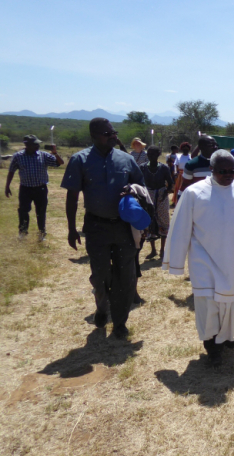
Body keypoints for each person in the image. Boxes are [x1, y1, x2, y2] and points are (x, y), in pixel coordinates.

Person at [163, 150, 234, 365]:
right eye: (223, 171)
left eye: (233, 170)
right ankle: (211, 344)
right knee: (208, 304)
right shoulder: (194, 193)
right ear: (211, 169)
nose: (229, 175)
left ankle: (226, 336)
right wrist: (175, 260)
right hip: (204, 258)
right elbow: (180, 227)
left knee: (232, 302)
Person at [61, 118, 145, 339]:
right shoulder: (80, 159)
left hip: (124, 227)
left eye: (113, 132)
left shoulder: (126, 159)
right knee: (100, 275)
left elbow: (141, 187)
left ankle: (119, 322)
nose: (113, 136)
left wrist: (135, 198)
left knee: (125, 276)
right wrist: (71, 229)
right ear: (94, 136)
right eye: (107, 134)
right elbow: (72, 196)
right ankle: (101, 307)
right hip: (96, 226)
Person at [5, 134, 63, 241]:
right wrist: (7, 186)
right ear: (27, 145)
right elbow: (11, 171)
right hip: (25, 189)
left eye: (38, 144)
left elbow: (60, 163)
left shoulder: (43, 155)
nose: (37, 146)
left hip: (40, 189)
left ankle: (41, 233)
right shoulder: (18, 156)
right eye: (34, 144)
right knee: (23, 211)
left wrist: (55, 153)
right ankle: (23, 233)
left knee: (41, 211)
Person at [140, 145, 175, 260]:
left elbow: (170, 183)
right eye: (149, 154)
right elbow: (139, 182)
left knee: (164, 221)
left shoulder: (164, 168)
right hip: (147, 197)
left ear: (158, 155)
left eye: (153, 154)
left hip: (161, 197)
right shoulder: (143, 168)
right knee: (149, 221)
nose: (151, 156)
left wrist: (165, 193)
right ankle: (153, 250)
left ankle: (162, 250)